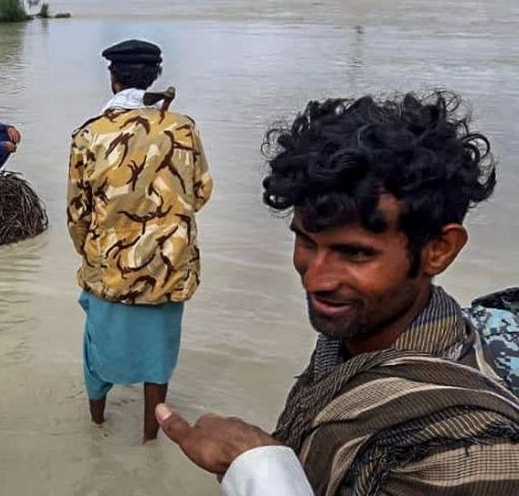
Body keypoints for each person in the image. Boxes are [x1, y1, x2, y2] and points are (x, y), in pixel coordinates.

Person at [155, 93, 519, 495]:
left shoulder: (471, 450)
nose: (316, 279)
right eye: (307, 242)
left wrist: (258, 467)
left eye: (355, 253)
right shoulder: (352, 335)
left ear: (439, 250)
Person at [67, 39, 213, 442]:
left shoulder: (89, 135)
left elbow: (78, 213)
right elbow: (200, 193)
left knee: (96, 354)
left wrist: (93, 253)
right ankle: (151, 436)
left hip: (110, 269)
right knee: (158, 357)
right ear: (154, 77)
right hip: (168, 267)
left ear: (113, 78)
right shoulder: (183, 127)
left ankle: (96, 426)